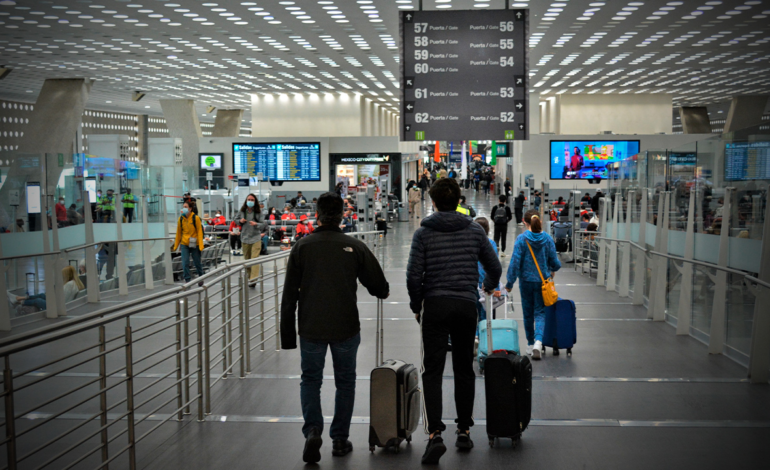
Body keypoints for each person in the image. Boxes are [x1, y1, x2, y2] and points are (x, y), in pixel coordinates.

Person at [280, 192, 389, 464]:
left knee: (310, 380)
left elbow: (289, 294)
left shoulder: (303, 247)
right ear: (342, 215)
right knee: (345, 382)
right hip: (345, 326)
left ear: (316, 214)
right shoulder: (353, 246)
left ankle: (313, 431)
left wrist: (287, 336)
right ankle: (340, 439)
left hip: (311, 327)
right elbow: (379, 286)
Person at [406, 178, 501, 464]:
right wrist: (486, 286)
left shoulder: (424, 233)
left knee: (432, 370)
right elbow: (494, 266)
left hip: (434, 305)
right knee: (463, 369)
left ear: (432, 202)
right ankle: (464, 430)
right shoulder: (474, 230)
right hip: (464, 305)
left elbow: (413, 276)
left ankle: (435, 433)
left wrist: (417, 305)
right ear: (459, 199)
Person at [505, 210, 561, 360]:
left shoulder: (521, 239)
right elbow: (555, 262)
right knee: (540, 312)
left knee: (528, 313)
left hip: (526, 282)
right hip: (543, 282)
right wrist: (553, 269)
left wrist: (509, 283)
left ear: (524, 222)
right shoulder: (547, 239)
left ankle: (529, 345)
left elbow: (515, 263)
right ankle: (538, 342)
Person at [14, 266, 85, 312]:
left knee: (38, 300)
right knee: (42, 295)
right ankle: (21, 298)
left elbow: (62, 300)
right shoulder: (74, 283)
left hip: (57, 308)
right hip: (59, 304)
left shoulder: (69, 284)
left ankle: (20, 301)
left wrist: (52, 298)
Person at [237, 193, 267, 287]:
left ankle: (253, 279)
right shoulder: (242, 211)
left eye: (252, 200)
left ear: (255, 201)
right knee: (247, 260)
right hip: (245, 238)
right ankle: (250, 277)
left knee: (254, 259)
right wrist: (239, 221)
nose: (250, 201)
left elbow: (263, 224)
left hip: (255, 238)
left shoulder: (258, 212)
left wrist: (256, 224)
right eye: (249, 199)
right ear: (246, 201)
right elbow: (235, 219)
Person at [172, 201, 205, 286]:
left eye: (185, 207)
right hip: (185, 244)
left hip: (195, 243)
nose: (183, 208)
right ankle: (187, 280)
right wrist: (176, 245)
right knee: (185, 262)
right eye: (183, 206)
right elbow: (178, 233)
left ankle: (201, 277)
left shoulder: (196, 218)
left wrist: (201, 244)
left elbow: (199, 232)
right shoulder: (181, 219)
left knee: (197, 262)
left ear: (190, 209)